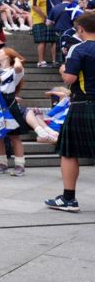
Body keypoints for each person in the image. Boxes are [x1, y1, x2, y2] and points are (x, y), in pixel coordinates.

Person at [46, 11, 95, 213]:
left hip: (83, 104)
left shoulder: (78, 48)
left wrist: (62, 70)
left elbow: (70, 79)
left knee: (69, 153)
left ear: (81, 29)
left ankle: (68, 199)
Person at [0, 48, 28, 176]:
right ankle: (2, 163)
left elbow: (18, 68)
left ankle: (19, 165)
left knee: (15, 136)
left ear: (8, 56)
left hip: (9, 103)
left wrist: (17, 58)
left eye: (0, 53)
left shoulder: (14, 71)